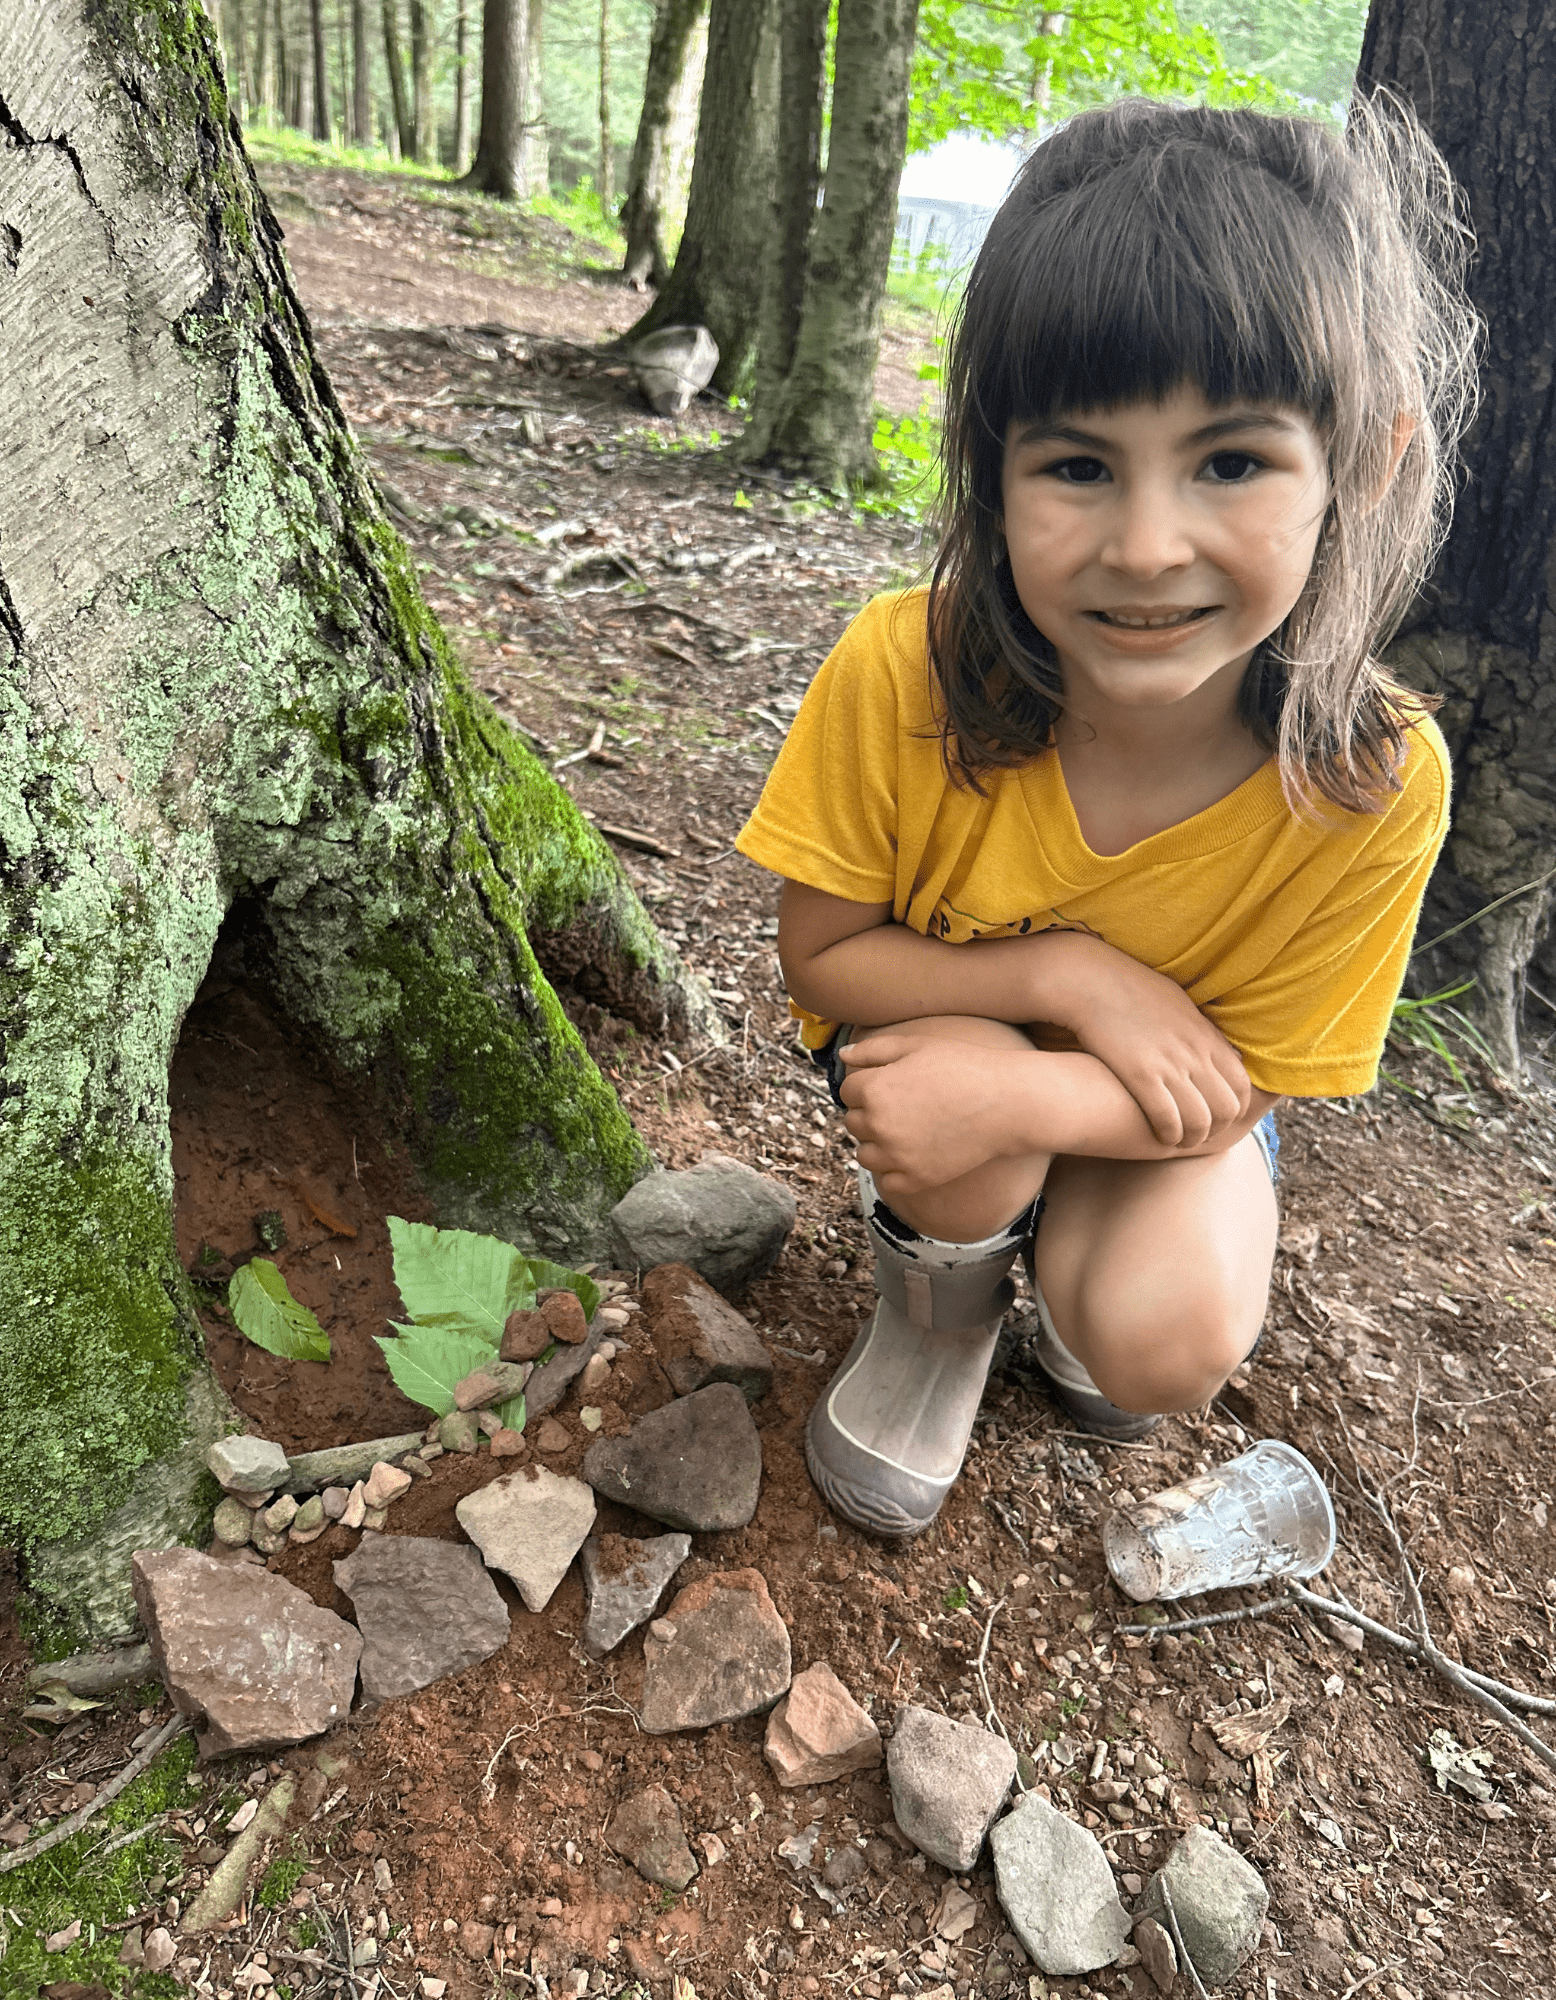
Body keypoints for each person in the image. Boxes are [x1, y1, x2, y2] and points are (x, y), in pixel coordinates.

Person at [734, 94, 1482, 1540]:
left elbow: (1255, 1073)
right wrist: (1066, 978)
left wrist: (1040, 1093)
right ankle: (938, 1318)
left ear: (1364, 466)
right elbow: (825, 961)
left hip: (1182, 1107)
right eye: (1076, 466)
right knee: (965, 1122)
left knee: (1162, 1333)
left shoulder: (1373, 776)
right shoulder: (903, 666)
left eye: (1232, 461)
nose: (1148, 548)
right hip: (958, 1054)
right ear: (992, 470)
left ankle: (1082, 1277)